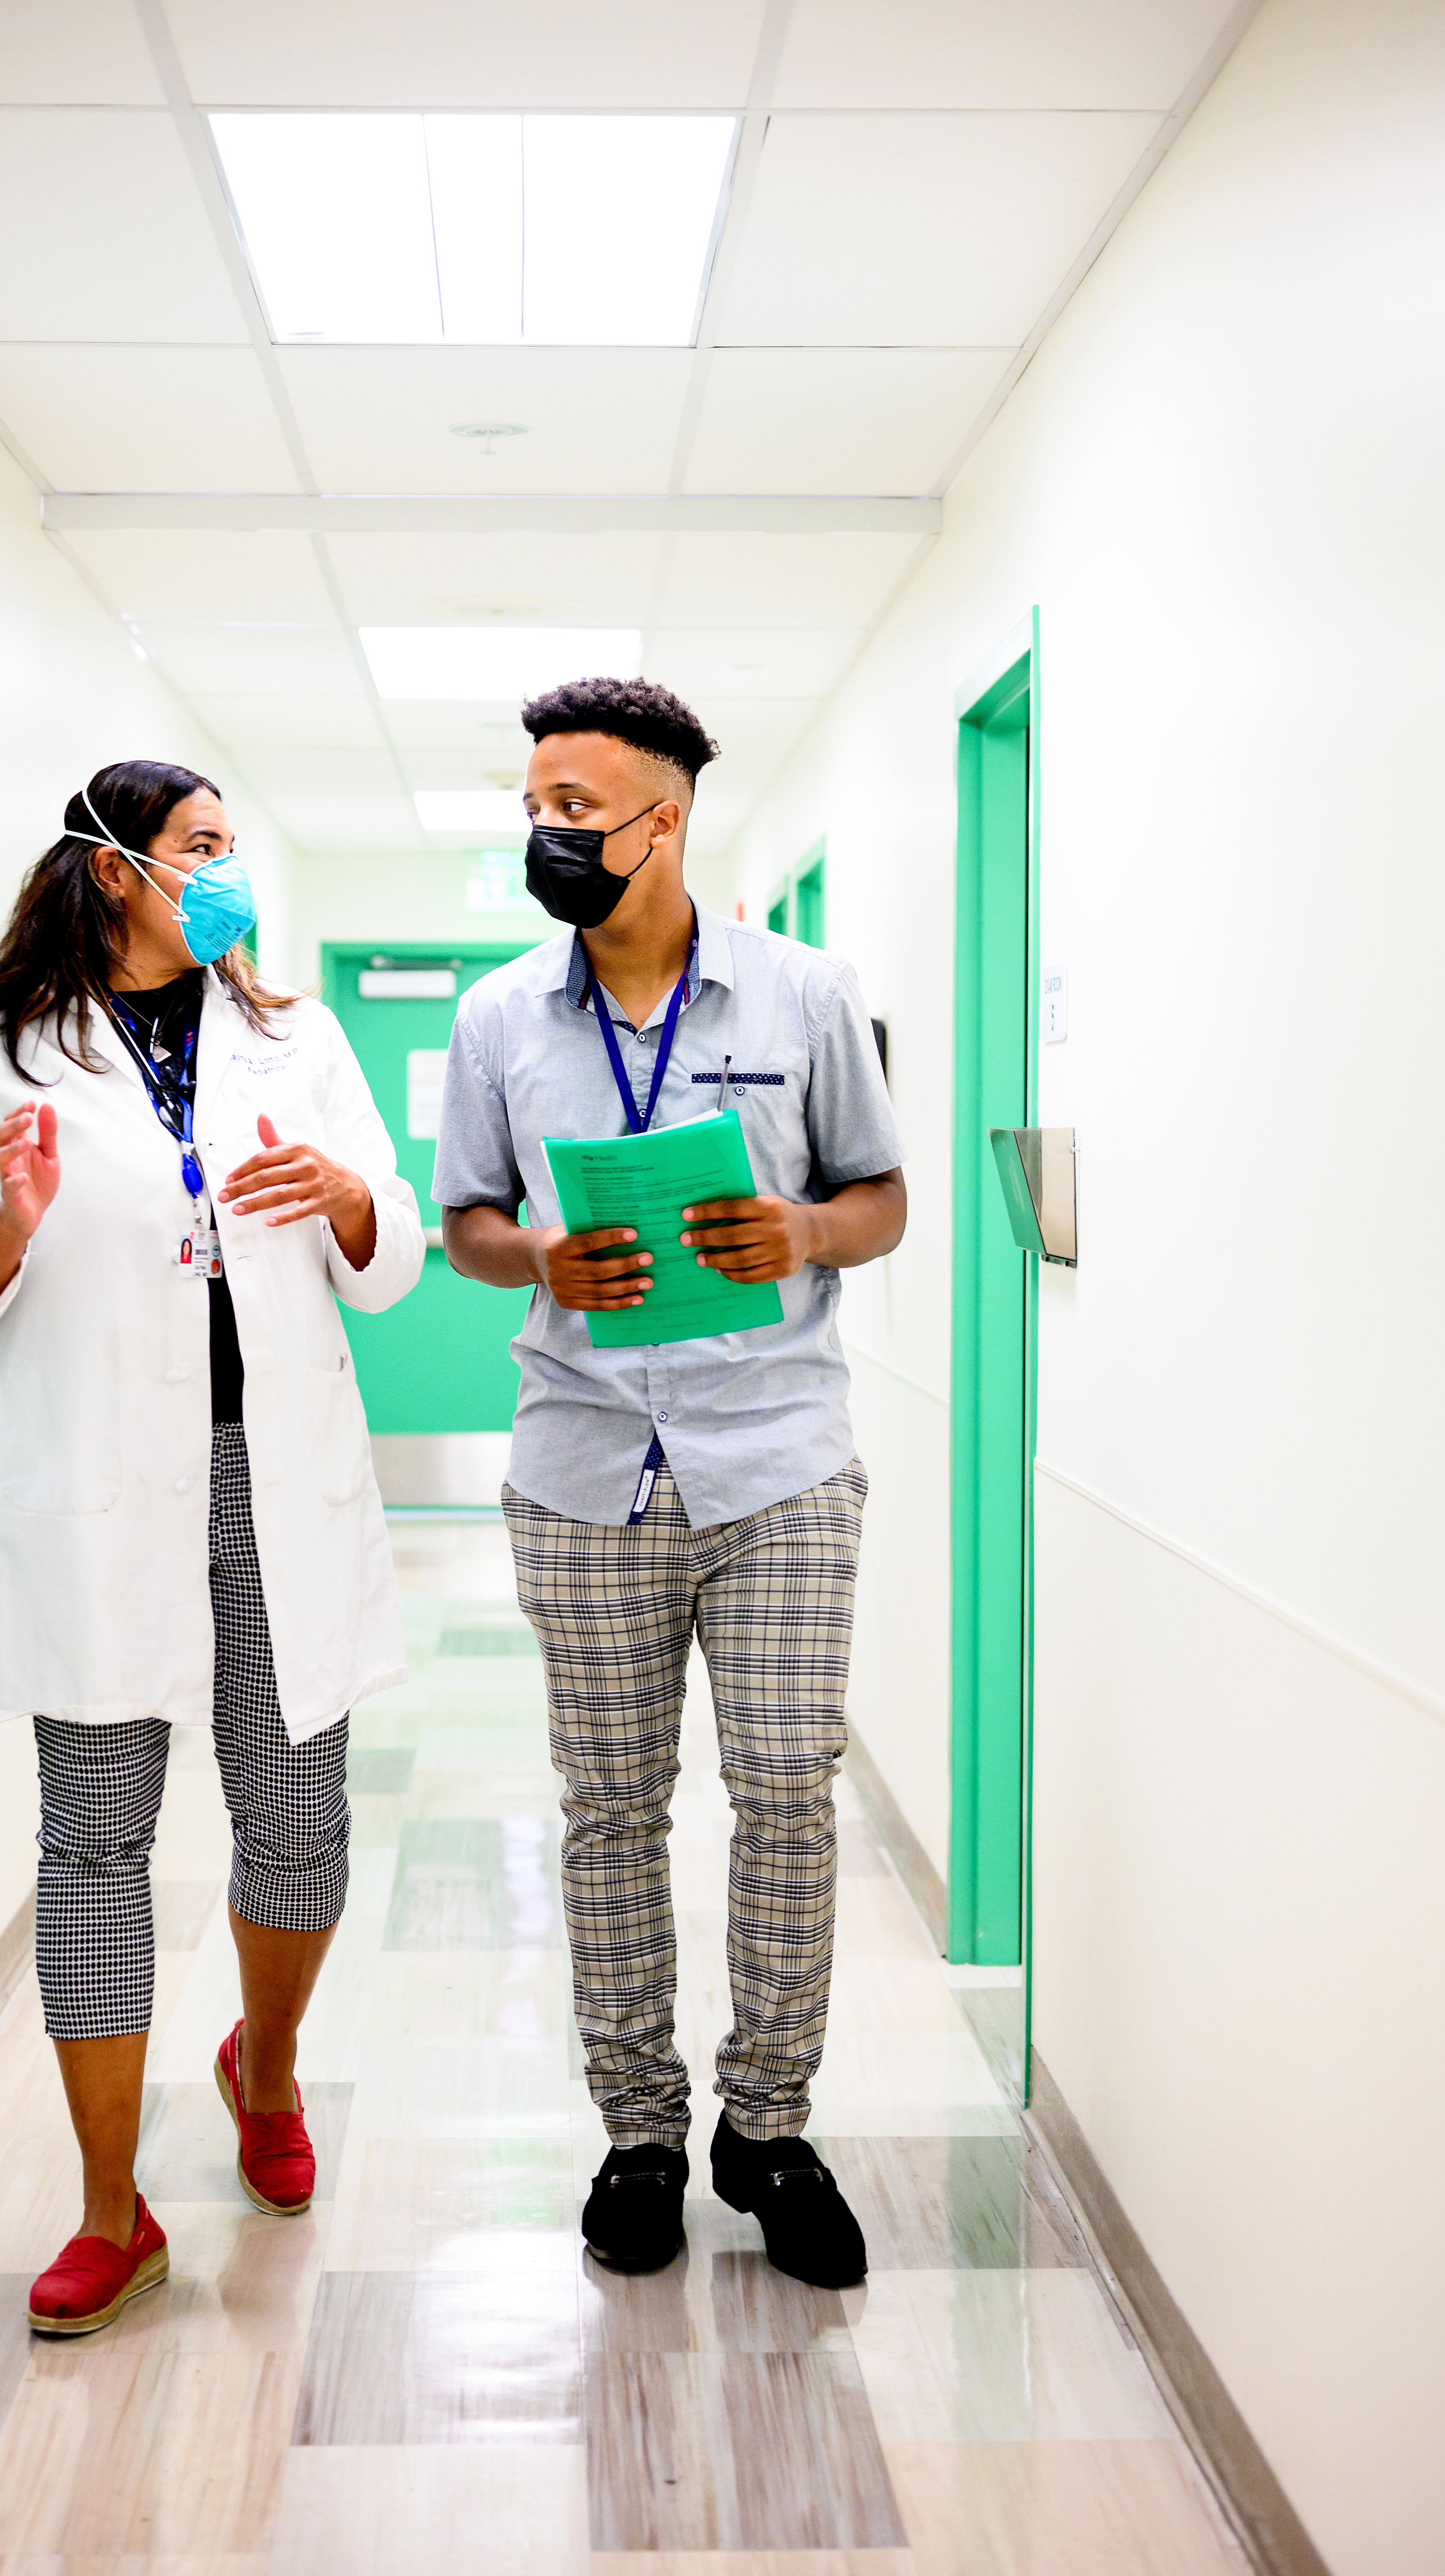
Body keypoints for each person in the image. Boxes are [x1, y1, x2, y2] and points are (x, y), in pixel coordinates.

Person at [0, 759, 423, 2337]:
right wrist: (6, 1226)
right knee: (96, 1847)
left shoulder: (296, 1033)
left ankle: (265, 2072)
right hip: (109, 1492)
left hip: (276, 1477)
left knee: (298, 1820)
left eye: (236, 844)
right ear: (113, 869)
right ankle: (111, 2216)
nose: (228, 869)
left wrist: (346, 1197)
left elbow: (384, 1258)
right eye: (202, 847)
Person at [433, 677, 906, 2286]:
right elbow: (468, 1224)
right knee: (611, 1813)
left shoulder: (802, 995)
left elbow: (885, 1192)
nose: (550, 828)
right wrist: (543, 1255)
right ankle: (638, 2136)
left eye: (580, 805)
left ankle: (767, 2133)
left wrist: (809, 1233)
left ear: (667, 819)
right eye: (536, 804)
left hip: (778, 1461)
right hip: (583, 1471)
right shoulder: (501, 1017)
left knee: (785, 1797)